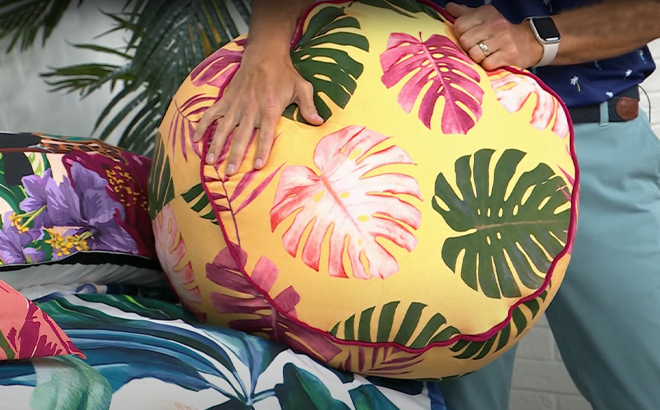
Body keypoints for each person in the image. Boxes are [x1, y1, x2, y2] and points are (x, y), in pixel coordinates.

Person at [193, 1, 660, 409]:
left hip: (596, 138)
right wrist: (266, 48)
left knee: (646, 383)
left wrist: (536, 38)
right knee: (449, 399)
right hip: (427, 142)